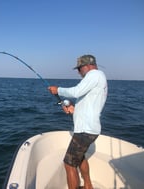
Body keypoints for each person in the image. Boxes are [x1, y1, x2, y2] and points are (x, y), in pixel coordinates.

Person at [48, 55, 107, 189]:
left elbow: (76, 91)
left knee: (69, 164)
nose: (78, 72)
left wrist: (58, 90)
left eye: (79, 69)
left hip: (85, 131)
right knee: (80, 158)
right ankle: (88, 186)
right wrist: (73, 109)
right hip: (88, 129)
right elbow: (89, 104)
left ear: (86, 66)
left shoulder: (94, 74)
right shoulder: (98, 78)